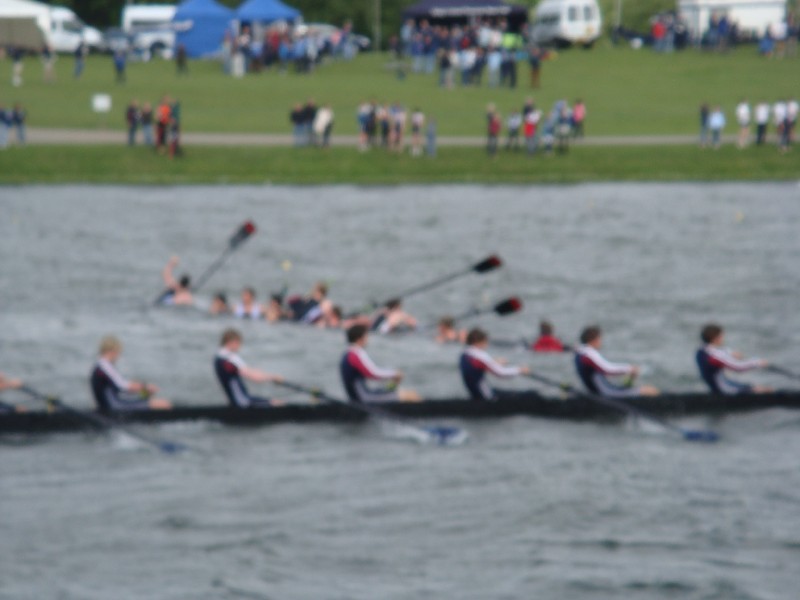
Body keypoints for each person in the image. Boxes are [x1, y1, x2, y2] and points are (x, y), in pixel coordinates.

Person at [340, 324, 419, 403]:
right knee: (411, 396)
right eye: (366, 336)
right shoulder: (355, 354)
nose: (368, 339)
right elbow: (372, 373)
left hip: (360, 395)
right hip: (364, 397)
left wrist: (393, 379)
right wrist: (395, 374)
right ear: (359, 339)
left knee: (399, 390)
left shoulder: (347, 354)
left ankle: (392, 393)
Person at [90, 336, 171, 411]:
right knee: (165, 404)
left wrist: (145, 392)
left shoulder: (99, 366)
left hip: (109, 405)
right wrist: (146, 387)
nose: (118, 357)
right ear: (113, 351)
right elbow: (123, 386)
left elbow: (119, 390)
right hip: (114, 407)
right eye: (118, 353)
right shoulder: (105, 366)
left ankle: (146, 403)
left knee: (147, 395)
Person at [574, 326, 659, 397]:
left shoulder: (580, 352)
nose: (601, 342)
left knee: (633, 385)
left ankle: (629, 387)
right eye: (600, 339)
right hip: (606, 393)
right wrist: (630, 369)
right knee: (650, 391)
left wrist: (630, 375)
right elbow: (607, 369)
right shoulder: (588, 353)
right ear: (594, 340)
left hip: (598, 392)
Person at [214, 328, 284, 408]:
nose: (239, 347)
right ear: (233, 342)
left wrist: (268, 376)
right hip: (242, 403)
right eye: (239, 343)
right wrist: (273, 377)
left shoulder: (220, 356)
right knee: (277, 404)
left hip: (240, 400)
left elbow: (249, 371)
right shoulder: (229, 359)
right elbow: (254, 377)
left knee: (274, 402)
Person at [696, 324, 770, 395]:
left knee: (756, 387)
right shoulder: (714, 355)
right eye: (722, 336)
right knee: (763, 390)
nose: (723, 339)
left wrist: (730, 353)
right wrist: (757, 363)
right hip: (723, 390)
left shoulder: (701, 350)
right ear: (716, 338)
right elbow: (738, 367)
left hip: (721, 385)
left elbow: (720, 352)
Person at [459, 328, 530, 401]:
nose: (487, 344)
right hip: (486, 396)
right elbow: (501, 373)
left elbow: (479, 365)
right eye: (485, 342)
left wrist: (493, 362)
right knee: (526, 395)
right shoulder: (480, 355)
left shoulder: (465, 354)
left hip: (475, 392)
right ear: (477, 342)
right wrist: (520, 370)